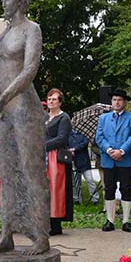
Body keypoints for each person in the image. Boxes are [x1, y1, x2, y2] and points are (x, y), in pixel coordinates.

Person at [0, 0, 50, 255]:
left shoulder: (30, 29)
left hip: (23, 108)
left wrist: (3, 97)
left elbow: (29, 70)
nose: (3, 3)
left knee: (32, 171)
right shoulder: (4, 33)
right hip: (3, 113)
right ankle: (7, 232)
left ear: (20, 0)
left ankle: (41, 234)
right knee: (8, 173)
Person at [96, 88, 131, 233]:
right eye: (114, 99)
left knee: (126, 188)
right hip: (108, 159)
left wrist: (121, 151)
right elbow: (99, 137)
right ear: (111, 101)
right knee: (109, 188)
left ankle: (126, 221)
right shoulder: (103, 118)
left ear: (125, 102)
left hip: (125, 158)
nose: (117, 102)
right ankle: (110, 220)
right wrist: (109, 150)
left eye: (120, 100)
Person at [45, 88, 73, 235]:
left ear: (60, 102)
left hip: (56, 157)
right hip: (42, 157)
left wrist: (43, 145)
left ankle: (55, 224)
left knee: (56, 189)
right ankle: (45, 221)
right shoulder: (44, 117)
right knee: (44, 189)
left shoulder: (64, 118)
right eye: (49, 99)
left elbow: (62, 138)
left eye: (54, 99)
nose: (51, 101)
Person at [69, 129, 99, 205]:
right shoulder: (67, 135)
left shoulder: (84, 133)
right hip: (73, 162)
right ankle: (76, 199)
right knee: (75, 183)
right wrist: (69, 151)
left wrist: (74, 149)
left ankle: (95, 199)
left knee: (90, 180)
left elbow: (85, 143)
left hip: (84, 162)